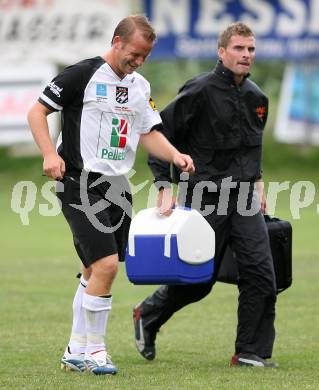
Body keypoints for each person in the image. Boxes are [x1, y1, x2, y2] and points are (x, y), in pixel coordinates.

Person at [27, 15, 194, 376]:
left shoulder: (139, 85)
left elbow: (148, 132)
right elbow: (37, 112)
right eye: (135, 53)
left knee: (95, 267)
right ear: (117, 41)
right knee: (104, 266)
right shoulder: (82, 75)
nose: (138, 61)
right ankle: (96, 352)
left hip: (117, 187)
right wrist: (48, 153)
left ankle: (75, 348)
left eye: (145, 56)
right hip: (79, 181)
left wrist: (175, 155)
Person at [133, 22, 278, 368]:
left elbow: (252, 150)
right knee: (199, 281)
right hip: (205, 198)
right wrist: (164, 185)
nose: (246, 55)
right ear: (222, 52)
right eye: (239, 48)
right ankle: (147, 314)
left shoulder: (259, 99)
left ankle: (249, 352)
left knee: (261, 273)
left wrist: (258, 184)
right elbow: (158, 136)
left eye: (251, 49)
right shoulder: (199, 91)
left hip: (243, 199)